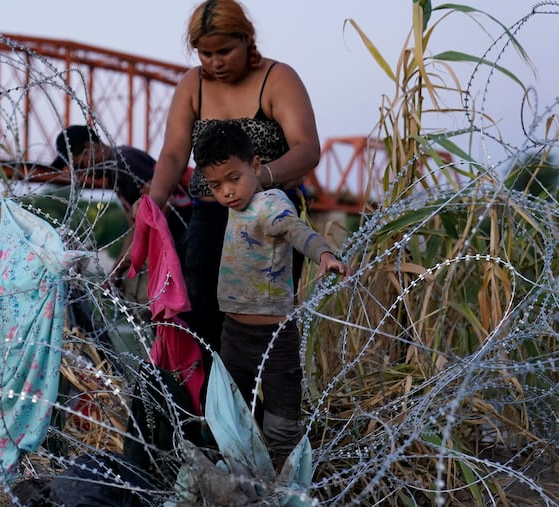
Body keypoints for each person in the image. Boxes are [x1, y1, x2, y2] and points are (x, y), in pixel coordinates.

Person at [138, 0, 321, 359]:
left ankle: (259, 411)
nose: (214, 62)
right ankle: (213, 411)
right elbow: (174, 153)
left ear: (246, 39)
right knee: (203, 320)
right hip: (209, 217)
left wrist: (260, 177)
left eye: (224, 51)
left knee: (261, 328)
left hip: (268, 220)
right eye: (204, 53)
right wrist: (152, 203)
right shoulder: (193, 85)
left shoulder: (278, 78)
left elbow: (307, 148)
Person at [193, 119, 352, 469]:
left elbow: (297, 231)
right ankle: (242, 476)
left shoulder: (271, 204)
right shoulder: (233, 207)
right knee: (234, 415)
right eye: (217, 186)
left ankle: (288, 480)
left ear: (255, 166)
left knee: (281, 421)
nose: (227, 193)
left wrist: (324, 254)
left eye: (234, 179)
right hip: (234, 332)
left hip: (274, 335)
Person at [53, 125, 191, 288]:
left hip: (186, 240)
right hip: (180, 245)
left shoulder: (124, 163)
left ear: (91, 147)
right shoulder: (116, 170)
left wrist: (131, 259)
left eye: (80, 165)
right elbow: (135, 226)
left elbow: (165, 202)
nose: (83, 173)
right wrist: (116, 272)